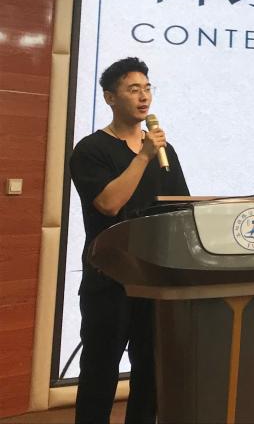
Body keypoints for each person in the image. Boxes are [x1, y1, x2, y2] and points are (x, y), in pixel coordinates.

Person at [69, 57, 189, 424]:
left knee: (151, 369)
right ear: (110, 97)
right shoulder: (91, 149)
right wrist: (143, 156)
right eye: (133, 89)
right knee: (100, 370)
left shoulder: (166, 153)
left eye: (147, 88)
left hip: (154, 276)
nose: (144, 97)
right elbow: (108, 204)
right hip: (110, 277)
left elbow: (180, 208)